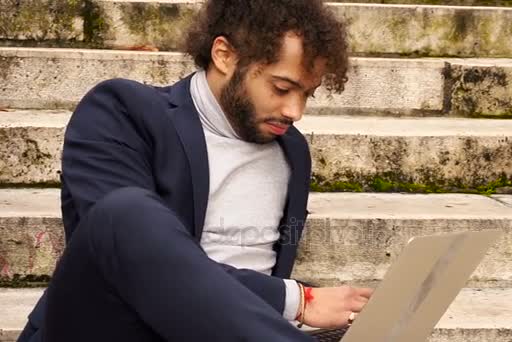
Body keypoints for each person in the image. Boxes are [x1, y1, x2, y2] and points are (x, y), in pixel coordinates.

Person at [17, 1, 374, 341]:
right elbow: (130, 257)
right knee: (124, 211)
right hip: (121, 329)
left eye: (307, 94)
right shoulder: (121, 113)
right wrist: (297, 300)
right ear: (225, 55)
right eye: (281, 88)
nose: (296, 111)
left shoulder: (291, 149)